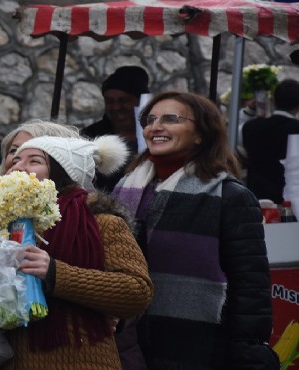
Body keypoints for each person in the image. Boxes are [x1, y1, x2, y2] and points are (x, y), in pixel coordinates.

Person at [0, 132, 154, 369]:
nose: (18, 167)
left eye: (34, 161)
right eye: (15, 160)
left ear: (64, 173)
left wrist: (55, 273)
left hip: (79, 360)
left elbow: (137, 292)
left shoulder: (101, 223)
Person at [113, 91, 279, 369]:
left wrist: (246, 346)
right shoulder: (125, 190)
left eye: (171, 119)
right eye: (150, 119)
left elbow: (249, 285)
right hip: (130, 342)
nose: (155, 127)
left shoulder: (230, 196)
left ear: (201, 133)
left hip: (200, 344)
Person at [82, 66, 151, 192]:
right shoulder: (89, 137)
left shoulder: (154, 136)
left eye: (123, 100)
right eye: (109, 101)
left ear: (140, 102)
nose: (116, 107)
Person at [242, 79, 299, 204]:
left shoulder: (251, 127)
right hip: (288, 202)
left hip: (254, 199)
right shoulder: (296, 129)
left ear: (273, 100)